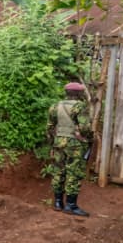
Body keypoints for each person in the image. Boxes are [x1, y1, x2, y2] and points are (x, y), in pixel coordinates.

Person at [47, 82, 92, 217]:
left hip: (58, 142)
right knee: (74, 172)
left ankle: (58, 202)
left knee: (58, 171)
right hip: (75, 144)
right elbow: (85, 128)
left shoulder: (55, 106)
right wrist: (87, 138)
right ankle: (70, 205)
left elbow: (49, 127)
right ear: (78, 94)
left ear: (66, 93)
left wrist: (52, 144)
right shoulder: (80, 106)